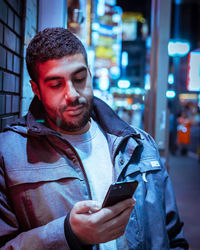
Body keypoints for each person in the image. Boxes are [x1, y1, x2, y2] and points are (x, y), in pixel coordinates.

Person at [0, 28, 189, 250]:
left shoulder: (139, 144)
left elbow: (173, 236)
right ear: (36, 90)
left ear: (90, 74)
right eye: (55, 85)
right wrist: (67, 234)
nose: (72, 95)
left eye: (79, 78)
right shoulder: (8, 153)